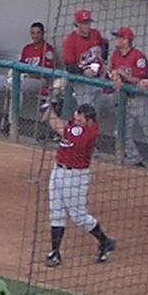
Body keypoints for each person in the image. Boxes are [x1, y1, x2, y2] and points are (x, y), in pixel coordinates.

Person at [43, 104, 117, 267]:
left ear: (89, 120)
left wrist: (50, 111)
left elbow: (60, 128)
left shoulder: (89, 133)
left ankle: (105, 241)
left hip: (75, 177)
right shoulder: (78, 126)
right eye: (75, 117)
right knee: (56, 212)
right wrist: (50, 113)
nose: (76, 121)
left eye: (80, 119)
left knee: (78, 216)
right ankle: (55, 253)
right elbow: (61, 125)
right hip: (58, 171)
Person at [0, 21, 54, 130]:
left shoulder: (48, 49)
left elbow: (46, 72)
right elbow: (20, 65)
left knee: (17, 87)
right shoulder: (27, 48)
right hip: (22, 78)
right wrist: (14, 73)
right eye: (33, 33)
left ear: (43, 34)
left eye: (38, 33)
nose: (35, 36)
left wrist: (27, 74)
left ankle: (12, 123)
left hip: (39, 81)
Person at [106, 27, 148, 167]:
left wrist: (123, 75)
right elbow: (112, 71)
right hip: (125, 99)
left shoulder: (138, 57)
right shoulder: (115, 54)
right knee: (122, 131)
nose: (115, 40)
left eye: (118, 37)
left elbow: (141, 81)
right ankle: (135, 159)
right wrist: (115, 76)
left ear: (126, 40)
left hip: (141, 99)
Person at [60, 9, 107, 114]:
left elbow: (104, 48)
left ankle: (91, 130)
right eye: (83, 23)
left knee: (95, 113)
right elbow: (69, 67)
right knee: (85, 112)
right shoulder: (70, 41)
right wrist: (83, 72)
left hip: (99, 79)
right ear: (76, 24)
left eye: (88, 22)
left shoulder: (96, 34)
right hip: (82, 83)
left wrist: (104, 64)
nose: (87, 26)